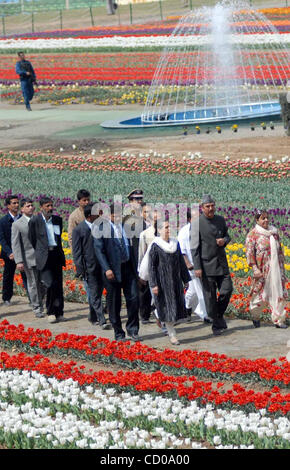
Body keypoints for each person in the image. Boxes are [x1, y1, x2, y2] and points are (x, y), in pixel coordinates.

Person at [93, 204, 140, 342]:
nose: (118, 218)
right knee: (114, 303)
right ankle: (119, 333)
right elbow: (99, 251)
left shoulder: (126, 227)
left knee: (133, 298)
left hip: (128, 268)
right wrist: (107, 268)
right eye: (115, 215)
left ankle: (133, 329)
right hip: (112, 271)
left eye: (120, 215)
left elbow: (133, 246)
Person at [139, 219, 190, 346]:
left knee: (174, 307)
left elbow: (181, 263)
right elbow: (151, 267)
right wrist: (154, 284)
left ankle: (156, 312)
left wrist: (186, 279)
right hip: (162, 282)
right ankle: (172, 335)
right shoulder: (156, 246)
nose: (168, 230)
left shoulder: (175, 243)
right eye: (165, 227)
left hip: (175, 281)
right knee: (168, 308)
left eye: (169, 227)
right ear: (159, 230)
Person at [192, 194, 233, 336]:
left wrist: (224, 241)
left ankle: (219, 315)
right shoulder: (197, 224)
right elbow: (194, 248)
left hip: (221, 264)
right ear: (202, 208)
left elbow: (228, 235)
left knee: (227, 290)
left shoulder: (220, 220)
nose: (211, 208)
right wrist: (197, 267)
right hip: (206, 265)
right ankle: (216, 324)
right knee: (210, 298)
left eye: (212, 205)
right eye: (207, 206)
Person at [245, 209, 288, 329]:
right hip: (262, 269)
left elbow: (279, 250)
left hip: (276, 268)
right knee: (260, 293)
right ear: (257, 220)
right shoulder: (253, 234)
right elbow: (249, 253)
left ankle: (279, 319)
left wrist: (281, 266)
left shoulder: (274, 232)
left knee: (279, 292)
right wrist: (254, 268)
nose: (266, 220)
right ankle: (255, 315)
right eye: (263, 218)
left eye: (267, 218)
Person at [28, 196, 66, 323]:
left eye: (51, 205)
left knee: (58, 284)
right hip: (44, 256)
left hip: (56, 255)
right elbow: (32, 239)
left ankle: (59, 311)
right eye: (47, 206)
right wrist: (41, 252)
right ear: (41, 207)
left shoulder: (57, 220)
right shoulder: (35, 221)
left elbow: (59, 237)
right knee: (49, 284)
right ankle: (50, 312)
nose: (50, 208)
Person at [72, 202, 109, 329]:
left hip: (103, 266)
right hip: (90, 267)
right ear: (89, 216)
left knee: (99, 292)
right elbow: (77, 251)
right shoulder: (79, 229)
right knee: (94, 293)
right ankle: (101, 319)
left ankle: (93, 316)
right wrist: (80, 269)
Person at [11, 198, 45, 318]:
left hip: (42, 257)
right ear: (22, 209)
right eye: (28, 206)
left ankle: (41, 302)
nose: (31, 207)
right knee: (33, 283)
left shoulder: (39, 220)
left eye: (32, 205)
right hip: (28, 258)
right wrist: (19, 260)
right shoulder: (17, 224)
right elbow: (15, 244)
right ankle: (36, 307)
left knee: (44, 282)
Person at [178, 206, 210, 323]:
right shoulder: (183, 232)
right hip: (191, 266)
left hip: (204, 264)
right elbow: (182, 251)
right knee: (200, 290)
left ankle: (186, 307)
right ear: (189, 219)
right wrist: (188, 264)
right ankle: (205, 315)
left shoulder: (203, 228)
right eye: (195, 217)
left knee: (192, 291)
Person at [0, 194, 27, 306]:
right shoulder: (3, 221)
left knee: (26, 275)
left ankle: (32, 297)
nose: (16, 205)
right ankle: (6, 297)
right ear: (8, 206)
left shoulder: (23, 219)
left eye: (17, 203)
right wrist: (9, 252)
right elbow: (1, 238)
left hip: (23, 253)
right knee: (8, 275)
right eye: (14, 203)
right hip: (9, 254)